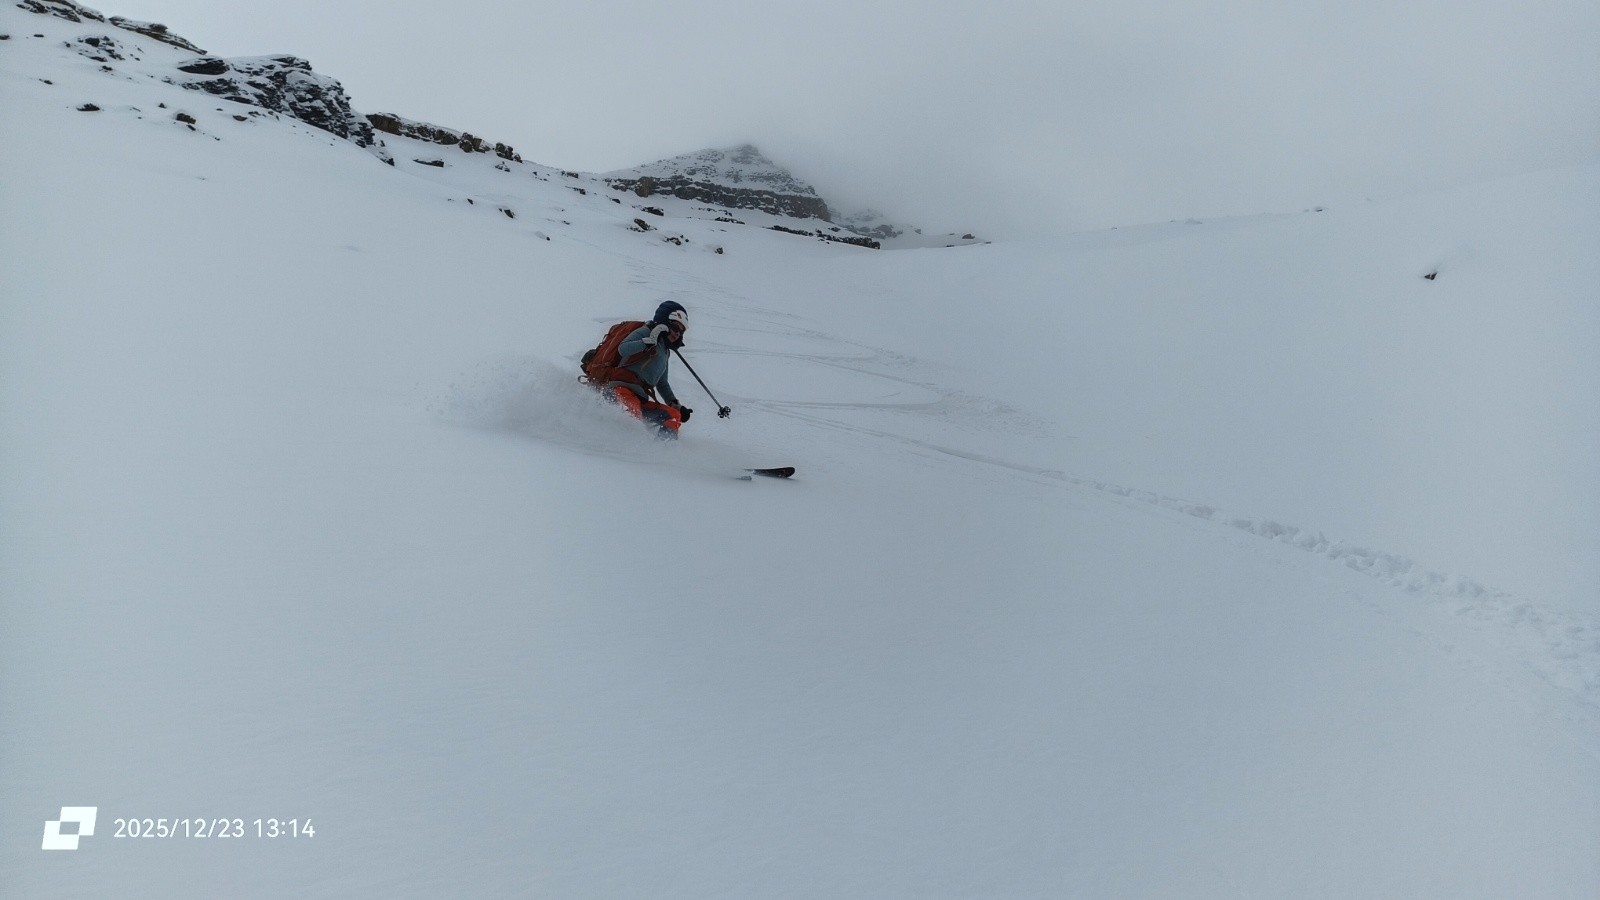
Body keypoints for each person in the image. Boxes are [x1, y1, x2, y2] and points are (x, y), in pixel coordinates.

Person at [598, 300, 693, 437]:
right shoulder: (647, 331)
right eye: (675, 328)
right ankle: (619, 446)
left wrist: (675, 405)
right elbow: (623, 349)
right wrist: (647, 342)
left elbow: (662, 383)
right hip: (620, 390)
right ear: (664, 323)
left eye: (682, 331)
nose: (678, 334)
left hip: (640, 399)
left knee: (672, 416)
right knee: (631, 419)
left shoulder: (665, 351)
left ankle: (664, 448)